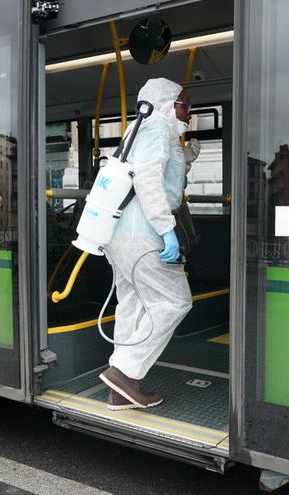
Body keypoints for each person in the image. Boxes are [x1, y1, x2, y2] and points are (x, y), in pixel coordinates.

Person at [99, 78, 201, 410]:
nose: (188, 113)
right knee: (175, 301)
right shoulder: (156, 129)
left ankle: (120, 391)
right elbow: (148, 182)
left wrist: (185, 157)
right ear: (165, 103)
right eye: (183, 105)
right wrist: (166, 230)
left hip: (121, 236)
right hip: (144, 236)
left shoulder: (143, 131)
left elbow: (158, 172)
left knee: (133, 304)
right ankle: (126, 374)